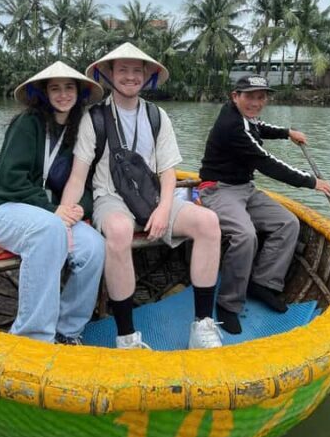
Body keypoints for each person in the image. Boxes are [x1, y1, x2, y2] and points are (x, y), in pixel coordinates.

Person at [62, 43, 223, 350]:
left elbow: (167, 172)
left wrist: (164, 209)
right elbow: (78, 176)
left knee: (208, 222)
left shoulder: (156, 115)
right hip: (111, 197)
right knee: (120, 231)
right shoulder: (93, 118)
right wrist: (65, 214)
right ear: (109, 74)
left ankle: (202, 325)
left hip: (151, 196)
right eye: (122, 69)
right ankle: (126, 337)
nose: (130, 76)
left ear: (147, 76)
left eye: (138, 70)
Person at [0, 61, 106, 345]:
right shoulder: (28, 124)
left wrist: (78, 207)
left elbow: (83, 182)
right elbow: (10, 181)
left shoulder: (78, 132)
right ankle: (33, 337)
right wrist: (53, 210)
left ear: (79, 93)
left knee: (95, 247)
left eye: (69, 88)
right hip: (5, 210)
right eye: (55, 88)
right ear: (44, 93)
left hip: (53, 215)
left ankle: (67, 330)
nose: (63, 94)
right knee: (49, 230)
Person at [198, 74, 330, 335]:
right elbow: (267, 162)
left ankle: (263, 282)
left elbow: (259, 127)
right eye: (250, 96)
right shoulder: (231, 125)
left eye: (261, 97)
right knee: (245, 235)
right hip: (217, 190)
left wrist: (287, 133)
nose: (256, 103)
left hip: (244, 188)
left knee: (287, 224)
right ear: (235, 96)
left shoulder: (245, 119)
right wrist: (311, 181)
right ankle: (228, 303)